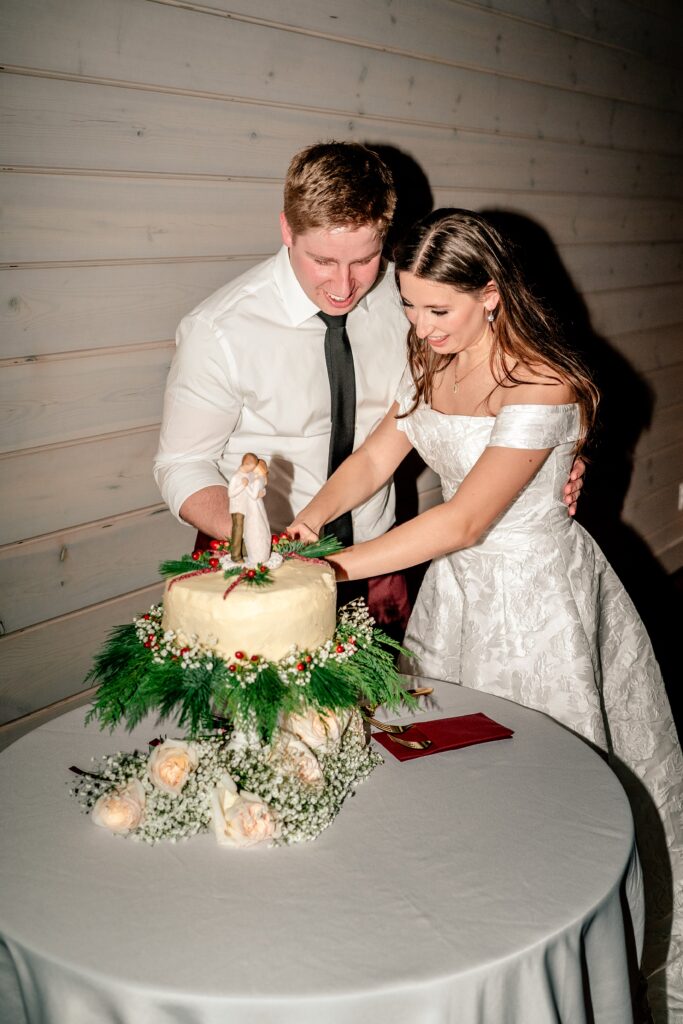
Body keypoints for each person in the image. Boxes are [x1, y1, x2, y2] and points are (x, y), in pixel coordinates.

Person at [288, 209, 683, 1020]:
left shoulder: (543, 383)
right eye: (407, 306)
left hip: (536, 600)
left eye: (438, 310)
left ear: (492, 295)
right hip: (458, 595)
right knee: (447, 769)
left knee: (547, 788)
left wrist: (328, 568)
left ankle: (555, 962)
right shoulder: (429, 362)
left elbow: (464, 520)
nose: (419, 326)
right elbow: (373, 457)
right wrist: (305, 522)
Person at [153, 142, 583, 627]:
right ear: (286, 230)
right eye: (323, 261)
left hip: (387, 554)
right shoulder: (218, 330)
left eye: (364, 261)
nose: (343, 286)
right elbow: (182, 464)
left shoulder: (413, 296)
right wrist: (265, 540)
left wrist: (550, 454)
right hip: (261, 557)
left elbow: (516, 393)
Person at [228, 452, 258, 562]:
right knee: (238, 530)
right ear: (247, 464)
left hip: (246, 506)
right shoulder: (236, 477)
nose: (253, 469)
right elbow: (231, 493)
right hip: (237, 508)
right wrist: (242, 486)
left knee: (246, 530)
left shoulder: (247, 475)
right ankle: (235, 556)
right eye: (253, 466)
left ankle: (244, 551)